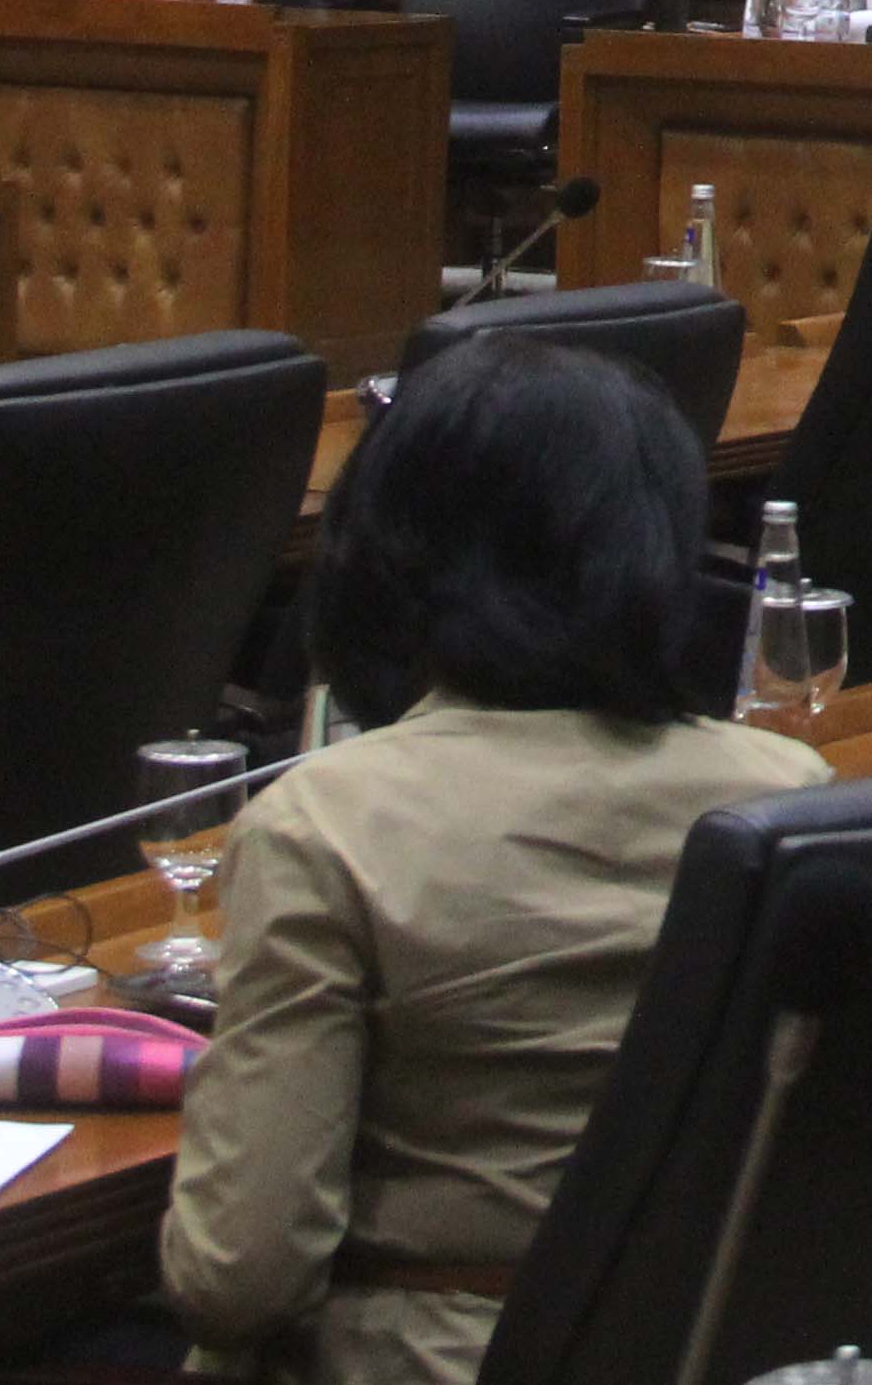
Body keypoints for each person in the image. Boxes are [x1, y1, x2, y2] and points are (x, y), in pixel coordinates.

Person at [161, 338, 825, 1385]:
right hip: (716, 1350)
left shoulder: (322, 823)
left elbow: (242, 1273)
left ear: (385, 552)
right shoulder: (791, 791)